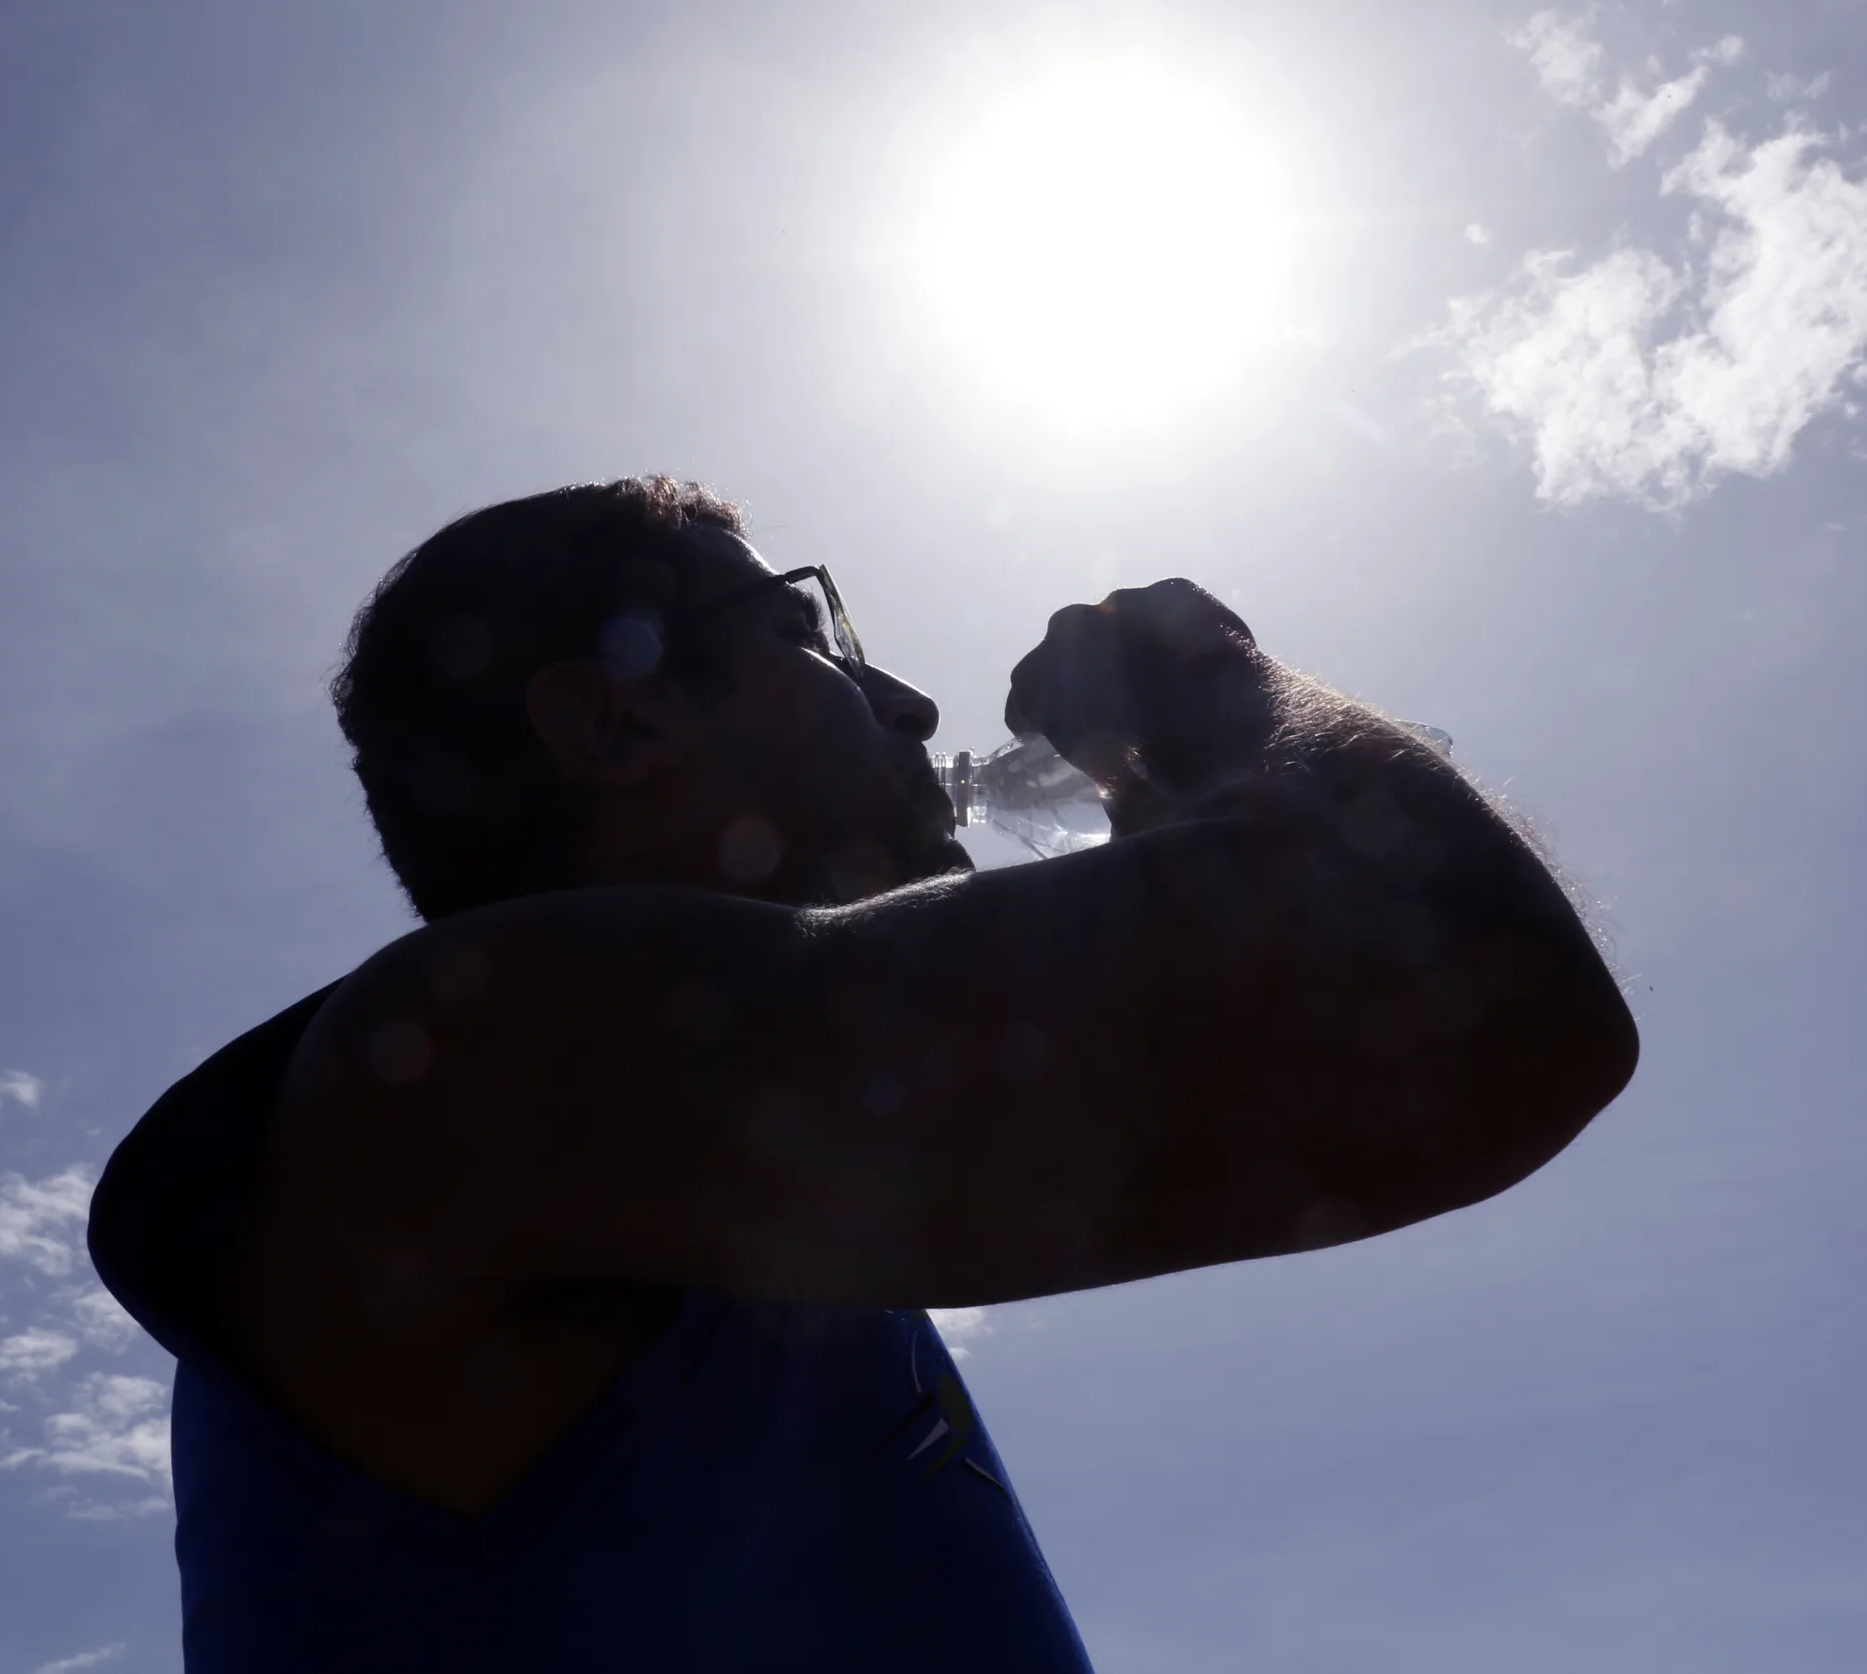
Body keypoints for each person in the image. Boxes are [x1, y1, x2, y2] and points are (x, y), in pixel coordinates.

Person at [88, 476, 1637, 1671]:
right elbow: (1483, 994)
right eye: (810, 637)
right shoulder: (470, 1067)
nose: (907, 704)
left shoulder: (714, 1181)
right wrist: (1210, 685)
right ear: (621, 714)